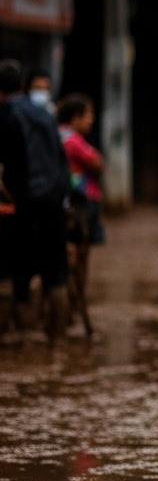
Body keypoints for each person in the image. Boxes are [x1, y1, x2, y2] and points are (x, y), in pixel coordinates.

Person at [5, 60, 70, 343]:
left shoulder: (7, 114)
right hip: (54, 200)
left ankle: (21, 339)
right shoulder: (45, 114)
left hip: (24, 203)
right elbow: (60, 157)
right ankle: (57, 338)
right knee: (56, 270)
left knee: (20, 267)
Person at [57, 94, 105, 337]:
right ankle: (73, 309)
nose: (90, 121)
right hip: (80, 207)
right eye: (88, 115)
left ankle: (71, 310)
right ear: (75, 117)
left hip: (70, 205)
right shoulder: (73, 141)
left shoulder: (60, 136)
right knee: (78, 262)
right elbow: (97, 163)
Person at [0, 60, 32, 342]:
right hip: (43, 200)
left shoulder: (7, 114)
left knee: (12, 267)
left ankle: (15, 330)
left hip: (16, 200)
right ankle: (28, 332)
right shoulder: (43, 112)